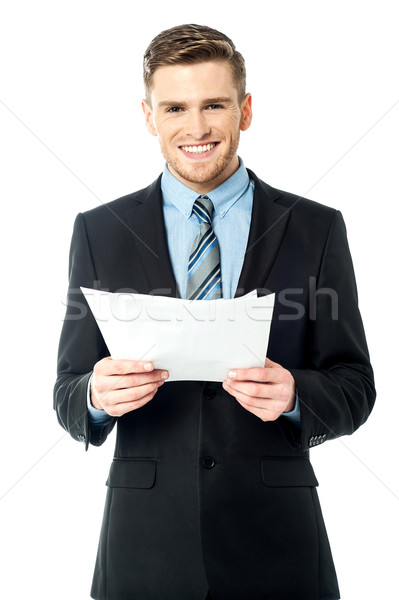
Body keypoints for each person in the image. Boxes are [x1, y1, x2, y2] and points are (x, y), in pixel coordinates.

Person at [54, 23, 376, 600]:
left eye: (215, 105)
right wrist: (96, 398)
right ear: (149, 116)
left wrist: (297, 396)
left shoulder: (316, 228)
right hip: (144, 547)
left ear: (245, 110)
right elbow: (67, 389)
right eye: (175, 107)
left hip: (278, 545)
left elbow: (355, 386)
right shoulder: (100, 231)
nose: (196, 127)